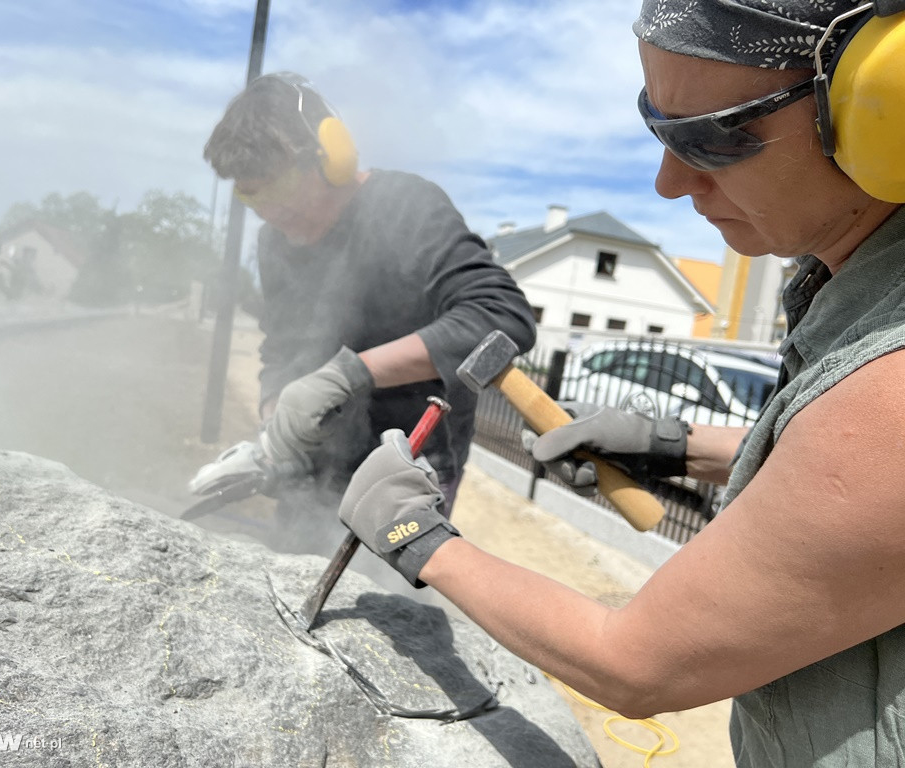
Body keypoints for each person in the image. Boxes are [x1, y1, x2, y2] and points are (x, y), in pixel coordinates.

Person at [336, 1, 905, 765]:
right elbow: (842, 476)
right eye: (656, 126)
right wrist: (675, 447)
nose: (670, 182)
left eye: (709, 137)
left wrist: (417, 534)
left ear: (884, 106)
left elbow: (636, 663)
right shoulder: (855, 300)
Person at [195, 72, 537, 555]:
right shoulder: (276, 239)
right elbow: (282, 345)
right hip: (317, 462)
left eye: (281, 185)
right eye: (249, 195)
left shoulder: (405, 206)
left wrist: (349, 374)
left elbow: (502, 317)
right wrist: (276, 427)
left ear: (332, 154)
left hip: (411, 464)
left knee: (378, 601)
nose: (269, 210)